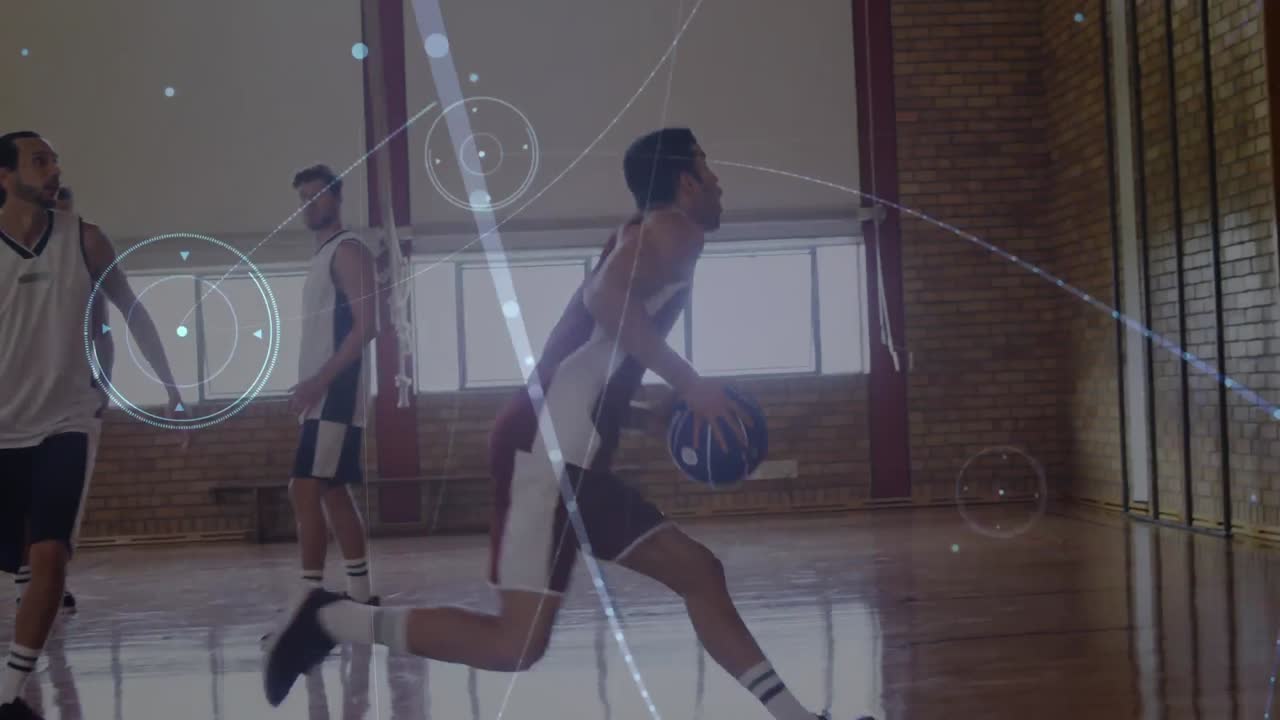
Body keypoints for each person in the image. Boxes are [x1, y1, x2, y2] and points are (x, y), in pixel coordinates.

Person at [264, 129, 851, 720]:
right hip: (545, 454)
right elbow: (605, 302)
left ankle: (797, 718)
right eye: (708, 167)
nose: (718, 182)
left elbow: (590, 353)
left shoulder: (646, 236)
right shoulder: (674, 232)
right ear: (685, 182)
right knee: (513, 644)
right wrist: (691, 385)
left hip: (569, 454)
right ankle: (329, 618)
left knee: (699, 572)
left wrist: (649, 414)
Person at [0, 131, 187, 720]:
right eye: (39, 159)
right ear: (5, 176)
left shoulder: (86, 240)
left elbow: (131, 313)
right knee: (20, 559)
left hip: (66, 422)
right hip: (4, 429)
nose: (53, 167)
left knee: (51, 554)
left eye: (54, 158)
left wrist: (172, 389)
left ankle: (10, 697)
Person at [283, 164, 379, 609]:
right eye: (303, 197)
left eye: (317, 195)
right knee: (331, 488)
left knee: (304, 487)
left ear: (336, 198)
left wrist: (319, 382)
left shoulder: (348, 250)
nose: (309, 204)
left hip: (336, 392)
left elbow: (366, 328)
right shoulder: (321, 257)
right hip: (322, 394)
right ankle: (360, 592)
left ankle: (308, 600)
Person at [11, 186, 102, 615]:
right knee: (22, 507)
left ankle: (44, 582)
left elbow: (105, 332)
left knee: (57, 518)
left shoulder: (81, 261)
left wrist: (104, 386)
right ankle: (25, 578)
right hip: (18, 406)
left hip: (69, 407)